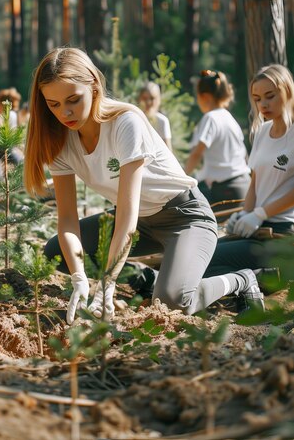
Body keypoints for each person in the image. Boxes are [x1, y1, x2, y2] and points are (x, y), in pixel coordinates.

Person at [23, 47, 264, 324]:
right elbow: (67, 220)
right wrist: (80, 278)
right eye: (53, 104)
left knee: (172, 302)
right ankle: (144, 277)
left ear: (93, 86)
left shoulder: (126, 123)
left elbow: (126, 212)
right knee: (57, 253)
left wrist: (108, 281)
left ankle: (241, 280)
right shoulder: (60, 141)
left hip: (184, 218)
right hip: (139, 226)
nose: (65, 112)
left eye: (73, 100)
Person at [205, 64, 294, 279]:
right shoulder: (262, 131)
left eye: (270, 96)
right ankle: (255, 281)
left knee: (211, 261)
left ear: (288, 92)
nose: (263, 104)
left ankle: (256, 282)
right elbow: (255, 182)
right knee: (205, 255)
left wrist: (260, 214)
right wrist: (246, 213)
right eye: (257, 98)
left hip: (282, 232)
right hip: (258, 228)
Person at [184, 70, 250, 206]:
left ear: (205, 97)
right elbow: (244, 155)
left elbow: (197, 154)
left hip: (225, 191)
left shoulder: (210, 118)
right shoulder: (230, 118)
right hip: (245, 186)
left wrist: (182, 177)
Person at [137, 82, 172, 150]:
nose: (148, 102)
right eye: (144, 98)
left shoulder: (162, 121)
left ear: (159, 100)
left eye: (152, 98)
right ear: (139, 99)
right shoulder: (135, 119)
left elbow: (168, 151)